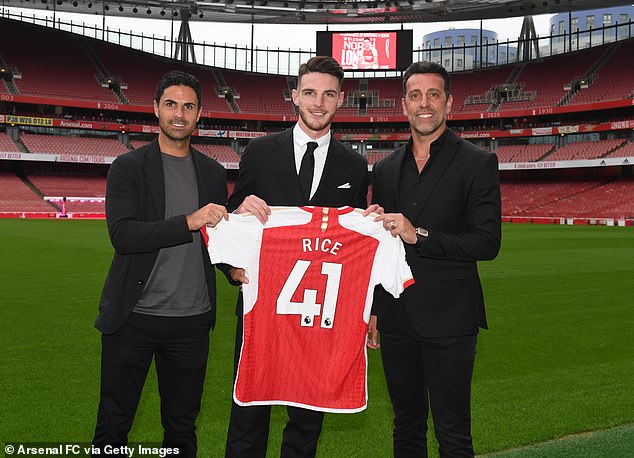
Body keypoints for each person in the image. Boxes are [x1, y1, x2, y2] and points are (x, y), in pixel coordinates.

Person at [223, 56, 369, 458]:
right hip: (261, 307)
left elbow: (354, 242)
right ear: (294, 97)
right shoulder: (259, 152)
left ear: (340, 100)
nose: (318, 103)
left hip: (319, 313)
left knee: (306, 421)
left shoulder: (355, 166)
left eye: (327, 94)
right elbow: (230, 221)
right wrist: (233, 269)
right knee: (249, 414)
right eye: (309, 93)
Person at [368, 61, 501, 457]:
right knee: (405, 426)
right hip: (395, 316)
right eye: (415, 95)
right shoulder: (387, 168)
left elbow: (487, 243)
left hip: (450, 317)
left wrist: (419, 235)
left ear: (449, 102)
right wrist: (374, 308)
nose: (424, 104)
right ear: (403, 104)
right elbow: (382, 248)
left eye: (433, 94)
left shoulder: (477, 161)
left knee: (453, 432)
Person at [92, 70, 229, 457]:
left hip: (191, 322)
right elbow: (123, 236)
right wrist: (188, 221)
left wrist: (233, 270)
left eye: (188, 106)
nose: (179, 114)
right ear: (156, 109)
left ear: (199, 113)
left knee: (182, 428)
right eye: (171, 104)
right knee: (113, 425)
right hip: (133, 318)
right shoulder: (128, 168)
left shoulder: (214, 172)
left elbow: (214, 240)